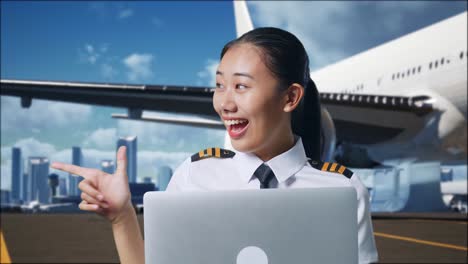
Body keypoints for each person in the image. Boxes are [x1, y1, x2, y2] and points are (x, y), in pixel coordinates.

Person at [51, 27, 378, 264]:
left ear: (290, 97)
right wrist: (122, 216)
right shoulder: (195, 173)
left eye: (240, 86)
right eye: (219, 85)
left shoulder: (343, 189)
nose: (224, 103)